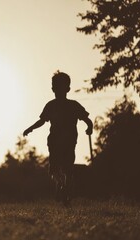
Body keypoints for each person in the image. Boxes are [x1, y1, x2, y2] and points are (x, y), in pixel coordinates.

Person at [23, 71, 93, 205]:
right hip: (54, 142)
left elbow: (87, 119)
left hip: (69, 141)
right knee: (55, 167)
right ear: (52, 89)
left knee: (67, 166)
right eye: (54, 86)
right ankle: (61, 185)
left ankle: (65, 188)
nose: (56, 89)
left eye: (59, 86)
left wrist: (89, 127)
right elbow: (42, 121)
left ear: (67, 89)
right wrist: (30, 128)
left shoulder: (73, 105)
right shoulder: (51, 106)